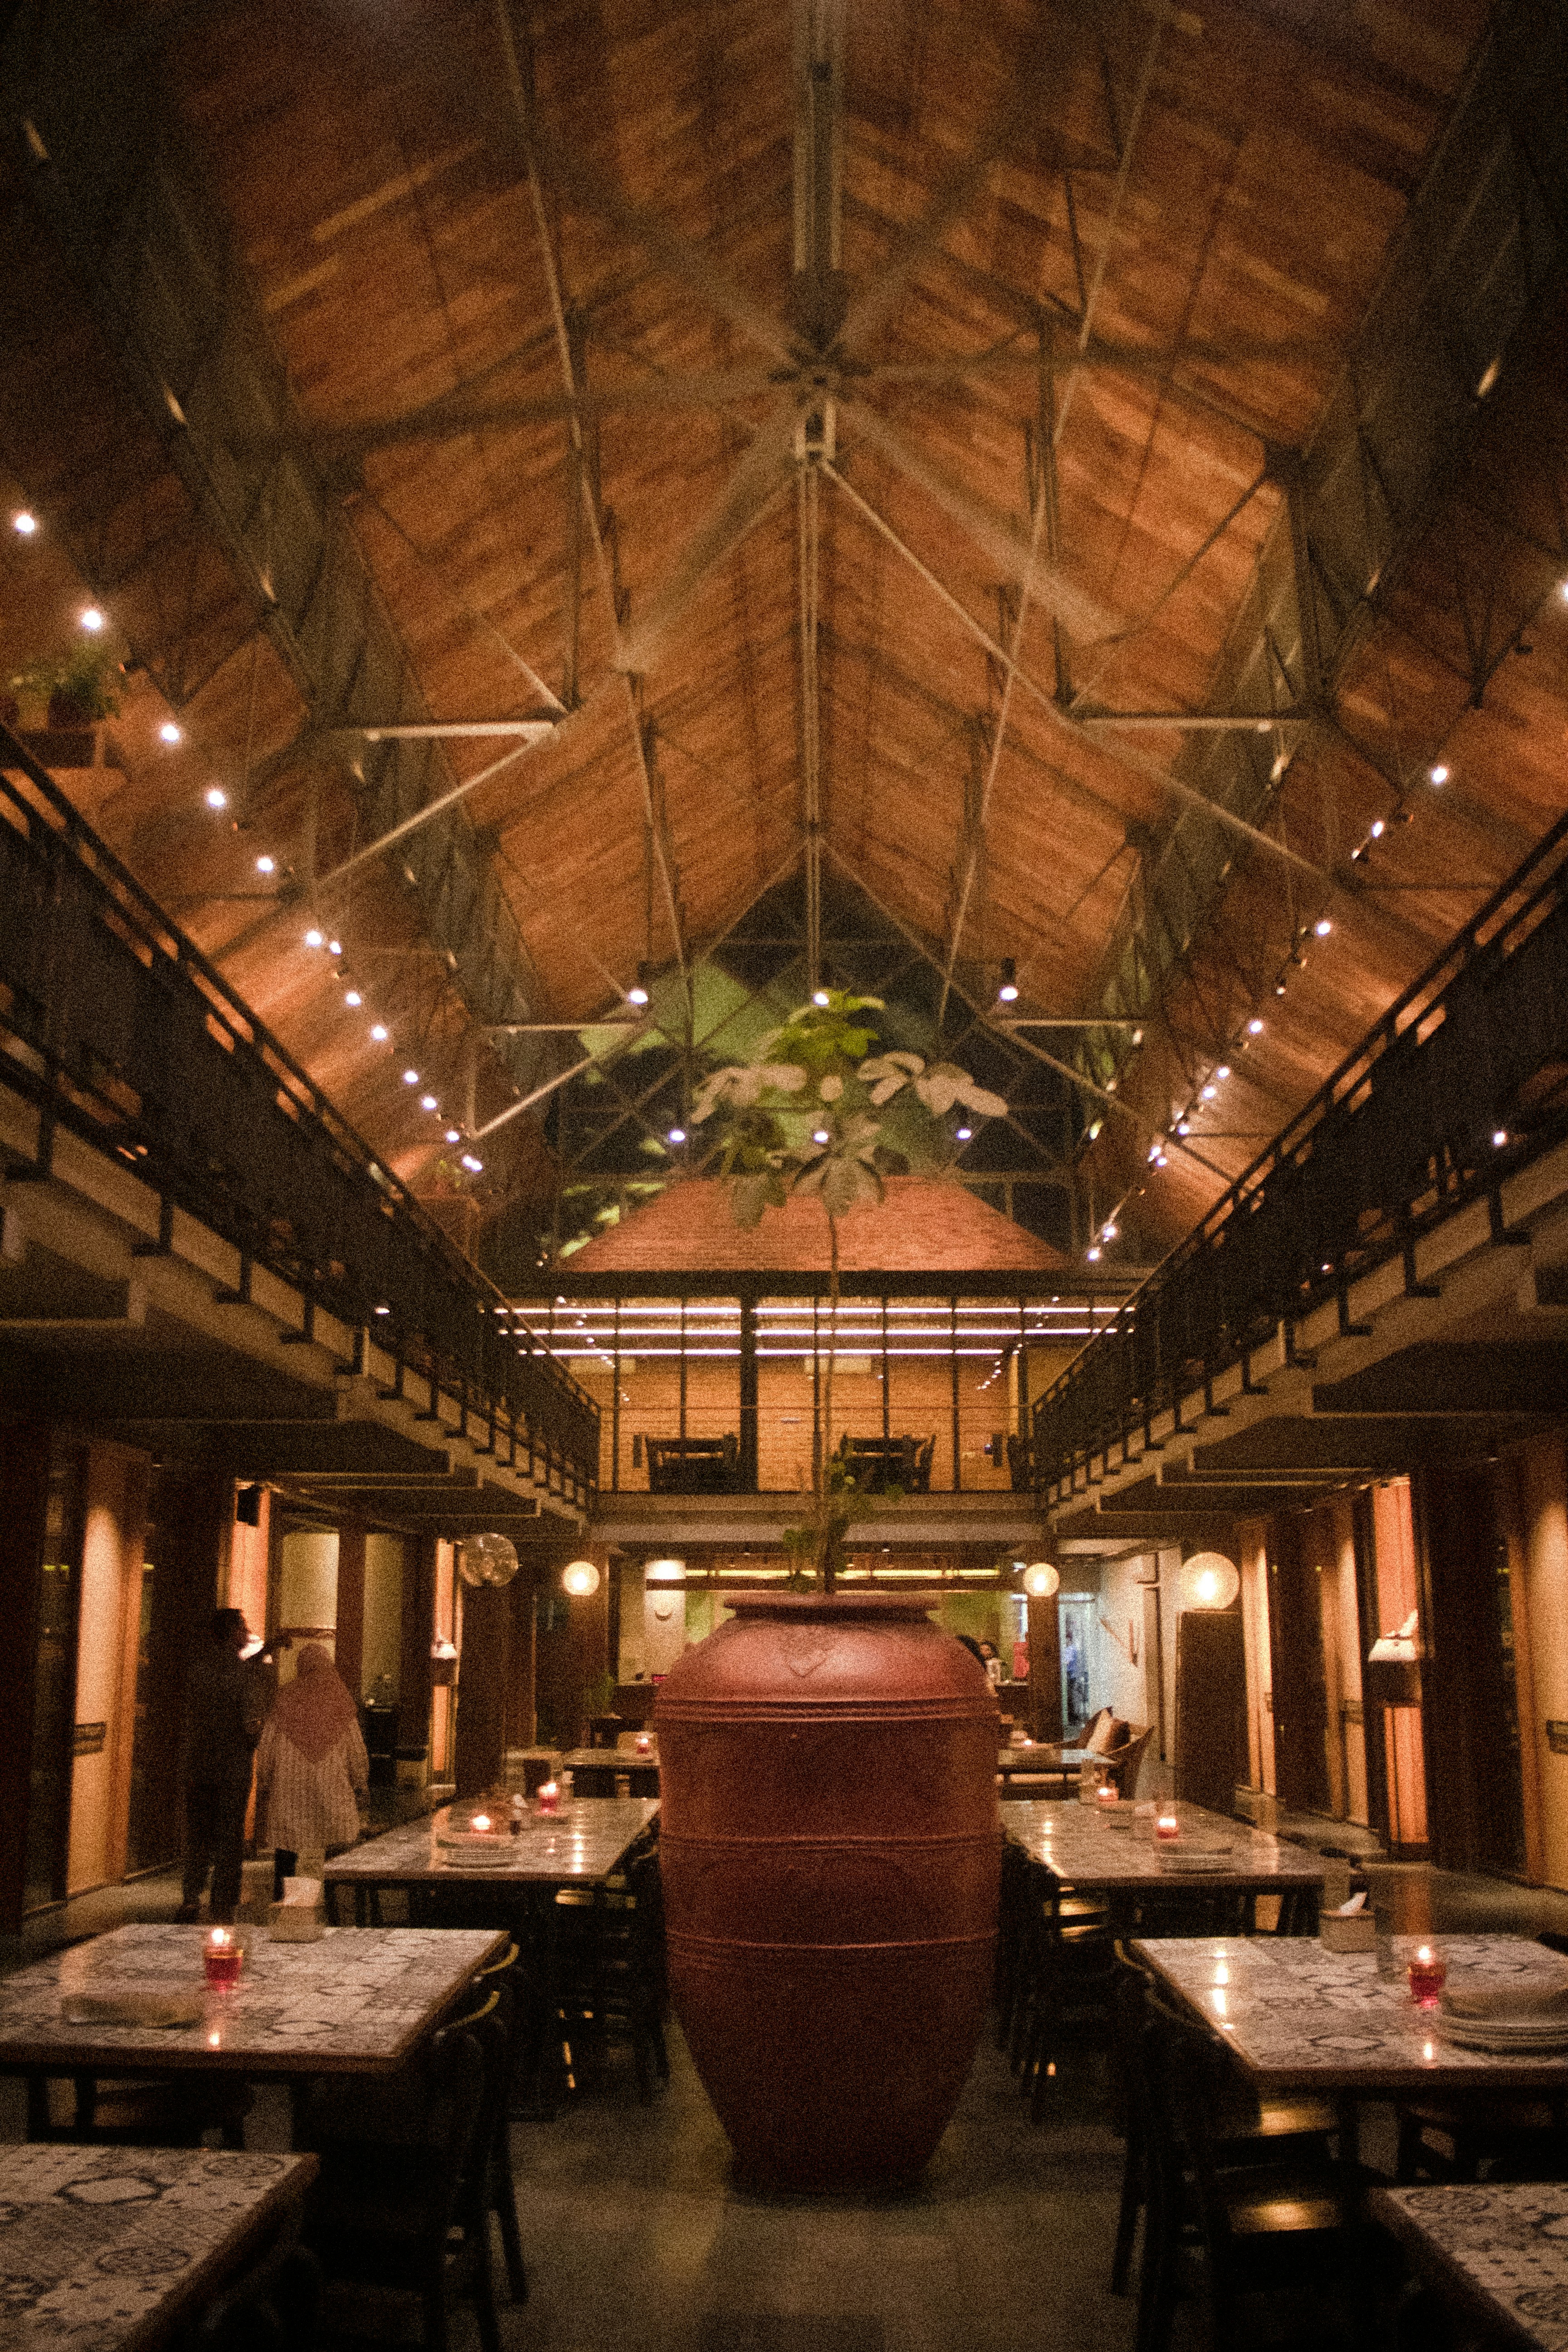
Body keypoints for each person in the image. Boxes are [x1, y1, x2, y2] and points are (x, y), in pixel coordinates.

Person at [255, 1646, 369, 1897]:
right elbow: (356, 1750)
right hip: (331, 1785)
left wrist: (264, 1782)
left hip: (289, 1788)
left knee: (287, 1846)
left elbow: (267, 1747)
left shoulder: (285, 1699)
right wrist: (360, 1783)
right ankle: (334, 1898)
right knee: (335, 1842)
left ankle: (283, 1897)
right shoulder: (340, 1699)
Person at [178, 1606, 265, 1924]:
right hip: (232, 1767)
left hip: (199, 1765)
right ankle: (223, 1902)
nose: (247, 1633)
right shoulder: (242, 1675)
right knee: (229, 1836)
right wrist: (258, 1742)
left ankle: (191, 1897)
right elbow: (250, 1722)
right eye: (243, 1628)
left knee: (198, 1835)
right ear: (232, 1633)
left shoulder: (198, 1671)